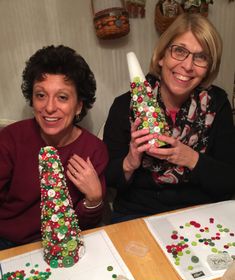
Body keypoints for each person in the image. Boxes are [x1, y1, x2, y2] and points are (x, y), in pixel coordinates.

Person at [103, 13, 235, 223]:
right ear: (162, 56)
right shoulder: (124, 106)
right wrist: (130, 162)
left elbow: (229, 181)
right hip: (138, 214)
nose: (188, 65)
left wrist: (191, 159)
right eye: (180, 51)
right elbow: (108, 179)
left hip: (199, 214)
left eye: (201, 57)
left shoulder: (217, 105)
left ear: (208, 67)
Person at [0, 45, 108, 249]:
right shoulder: (10, 139)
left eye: (62, 97)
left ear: (78, 106)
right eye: (41, 95)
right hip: (8, 243)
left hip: (64, 245)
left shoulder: (94, 150)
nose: (49, 107)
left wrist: (93, 199)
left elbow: (84, 227)